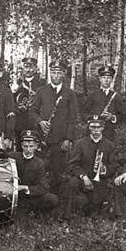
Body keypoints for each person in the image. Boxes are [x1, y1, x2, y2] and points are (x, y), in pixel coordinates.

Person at [30, 60, 77, 190]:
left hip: (60, 138)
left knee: (58, 170)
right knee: (38, 168)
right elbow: (32, 111)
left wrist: (68, 138)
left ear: (63, 74)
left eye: (59, 72)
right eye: (53, 72)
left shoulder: (70, 93)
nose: (56, 75)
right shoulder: (41, 91)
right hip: (41, 137)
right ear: (50, 73)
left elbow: (72, 117)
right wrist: (40, 121)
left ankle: (55, 199)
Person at [62, 115, 117, 218]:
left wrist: (105, 170)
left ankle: (91, 209)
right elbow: (73, 165)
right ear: (89, 127)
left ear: (103, 128)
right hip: (83, 180)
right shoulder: (80, 143)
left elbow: (114, 165)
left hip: (101, 180)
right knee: (72, 183)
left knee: (95, 210)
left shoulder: (110, 145)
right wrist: (84, 177)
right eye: (93, 127)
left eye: (98, 127)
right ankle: (67, 216)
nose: (96, 130)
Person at [7, 130, 58, 213]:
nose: (28, 150)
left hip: (30, 198)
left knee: (52, 199)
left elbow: (43, 187)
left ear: (36, 146)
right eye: (25, 146)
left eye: (31, 146)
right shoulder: (12, 157)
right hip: (12, 196)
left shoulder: (40, 163)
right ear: (21, 146)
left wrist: (25, 188)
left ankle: (37, 212)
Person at [13, 57, 47, 150]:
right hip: (20, 121)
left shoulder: (41, 83)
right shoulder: (16, 83)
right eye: (26, 67)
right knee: (20, 149)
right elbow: (11, 101)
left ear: (36, 69)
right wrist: (18, 107)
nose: (28, 70)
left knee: (35, 148)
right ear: (22, 68)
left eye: (31, 67)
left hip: (35, 123)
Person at [83, 65, 125, 141]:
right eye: (104, 78)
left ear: (112, 79)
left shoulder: (116, 96)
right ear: (100, 79)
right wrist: (93, 119)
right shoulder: (92, 95)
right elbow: (84, 113)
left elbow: (122, 115)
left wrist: (112, 117)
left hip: (109, 133)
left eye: (108, 78)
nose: (106, 80)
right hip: (92, 132)